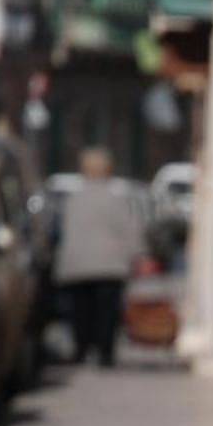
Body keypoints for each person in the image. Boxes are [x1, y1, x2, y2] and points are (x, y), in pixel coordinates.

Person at [55, 148, 143, 368]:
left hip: (78, 265)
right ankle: (105, 352)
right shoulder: (114, 200)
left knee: (80, 311)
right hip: (109, 265)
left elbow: (64, 232)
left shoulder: (74, 200)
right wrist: (137, 255)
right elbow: (129, 230)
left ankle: (81, 348)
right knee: (107, 312)